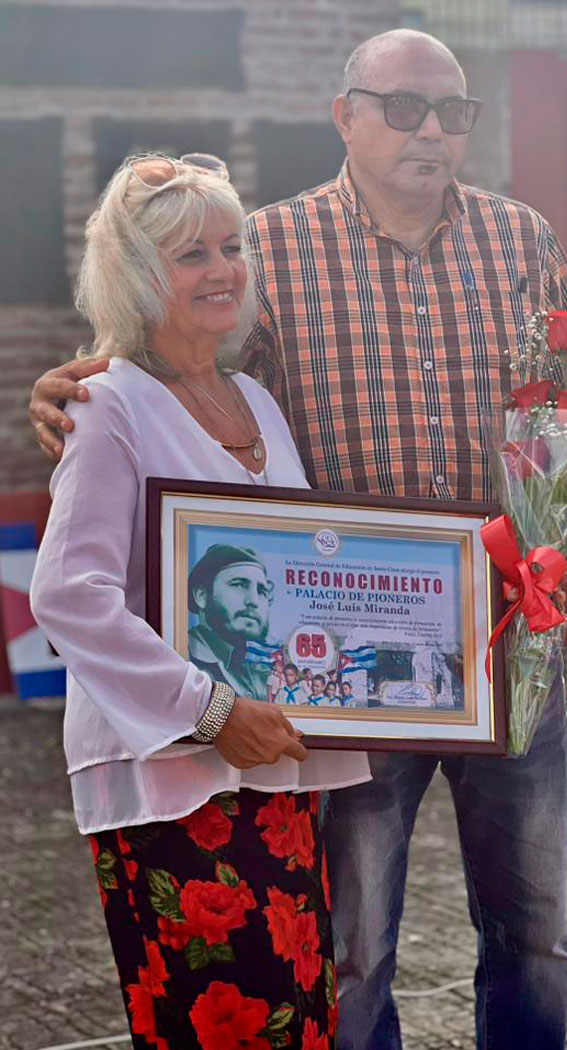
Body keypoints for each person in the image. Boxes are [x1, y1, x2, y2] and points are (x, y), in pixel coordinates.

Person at [29, 29, 567, 1050]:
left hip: (510, 646)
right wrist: (81, 378)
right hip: (347, 668)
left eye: (452, 111)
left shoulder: (522, 238)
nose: (431, 131)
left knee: (535, 928)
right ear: (343, 116)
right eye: (403, 108)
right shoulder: (270, 246)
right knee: (349, 941)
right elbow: (181, 358)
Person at [29, 153, 370, 1050]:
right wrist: (212, 712)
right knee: (224, 1029)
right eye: (190, 255)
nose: (221, 270)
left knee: (299, 1019)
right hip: (175, 783)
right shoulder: (107, 404)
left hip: (275, 770)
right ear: (139, 276)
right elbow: (67, 593)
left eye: (231, 246)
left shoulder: (255, 396)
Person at [188, 543, 273, 700]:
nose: (253, 601)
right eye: (239, 584)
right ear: (201, 596)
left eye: (261, 591)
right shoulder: (181, 659)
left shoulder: (266, 669)